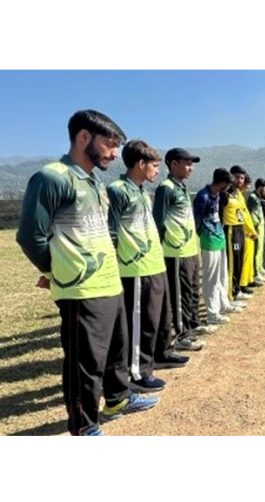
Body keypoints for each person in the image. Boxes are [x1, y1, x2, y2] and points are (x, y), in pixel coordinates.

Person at [16, 110, 158, 436]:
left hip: (109, 282)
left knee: (115, 351)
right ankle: (84, 425)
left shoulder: (95, 181)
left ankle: (119, 399)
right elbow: (29, 236)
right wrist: (56, 270)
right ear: (84, 137)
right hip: (81, 291)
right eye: (109, 144)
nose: (113, 153)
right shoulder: (52, 178)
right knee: (85, 364)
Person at [107, 139, 171, 394]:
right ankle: (135, 373)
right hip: (134, 271)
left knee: (153, 323)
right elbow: (111, 233)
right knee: (139, 325)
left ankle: (145, 366)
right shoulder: (118, 190)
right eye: (154, 165)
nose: (157, 170)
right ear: (140, 163)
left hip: (154, 266)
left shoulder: (143, 191)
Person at [153, 148, 208, 353]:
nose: (190, 168)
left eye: (191, 164)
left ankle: (192, 326)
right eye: (187, 163)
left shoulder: (182, 187)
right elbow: (158, 221)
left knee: (192, 290)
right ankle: (182, 334)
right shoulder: (166, 188)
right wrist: (160, 247)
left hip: (190, 250)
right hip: (175, 252)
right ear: (173, 164)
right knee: (180, 295)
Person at [193, 168, 239, 325]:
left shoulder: (218, 195)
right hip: (209, 240)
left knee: (222, 276)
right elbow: (197, 221)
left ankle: (223, 304)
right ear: (222, 182)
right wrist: (204, 235)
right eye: (228, 184)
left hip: (220, 238)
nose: (229, 187)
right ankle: (212, 313)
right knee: (211, 278)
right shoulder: (202, 196)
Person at [221, 165, 256, 301]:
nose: (240, 180)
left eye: (242, 178)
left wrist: (249, 230)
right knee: (232, 263)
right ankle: (231, 294)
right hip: (230, 230)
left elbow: (243, 213)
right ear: (231, 177)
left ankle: (237, 289)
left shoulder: (238, 194)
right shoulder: (225, 193)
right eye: (237, 177)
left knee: (239, 261)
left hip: (240, 229)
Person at [247, 177, 265, 283]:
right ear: (260, 187)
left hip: (261, 227)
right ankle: (254, 273)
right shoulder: (252, 198)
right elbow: (250, 214)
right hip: (255, 228)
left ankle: (259, 269)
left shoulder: (258, 198)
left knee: (260, 250)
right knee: (255, 251)